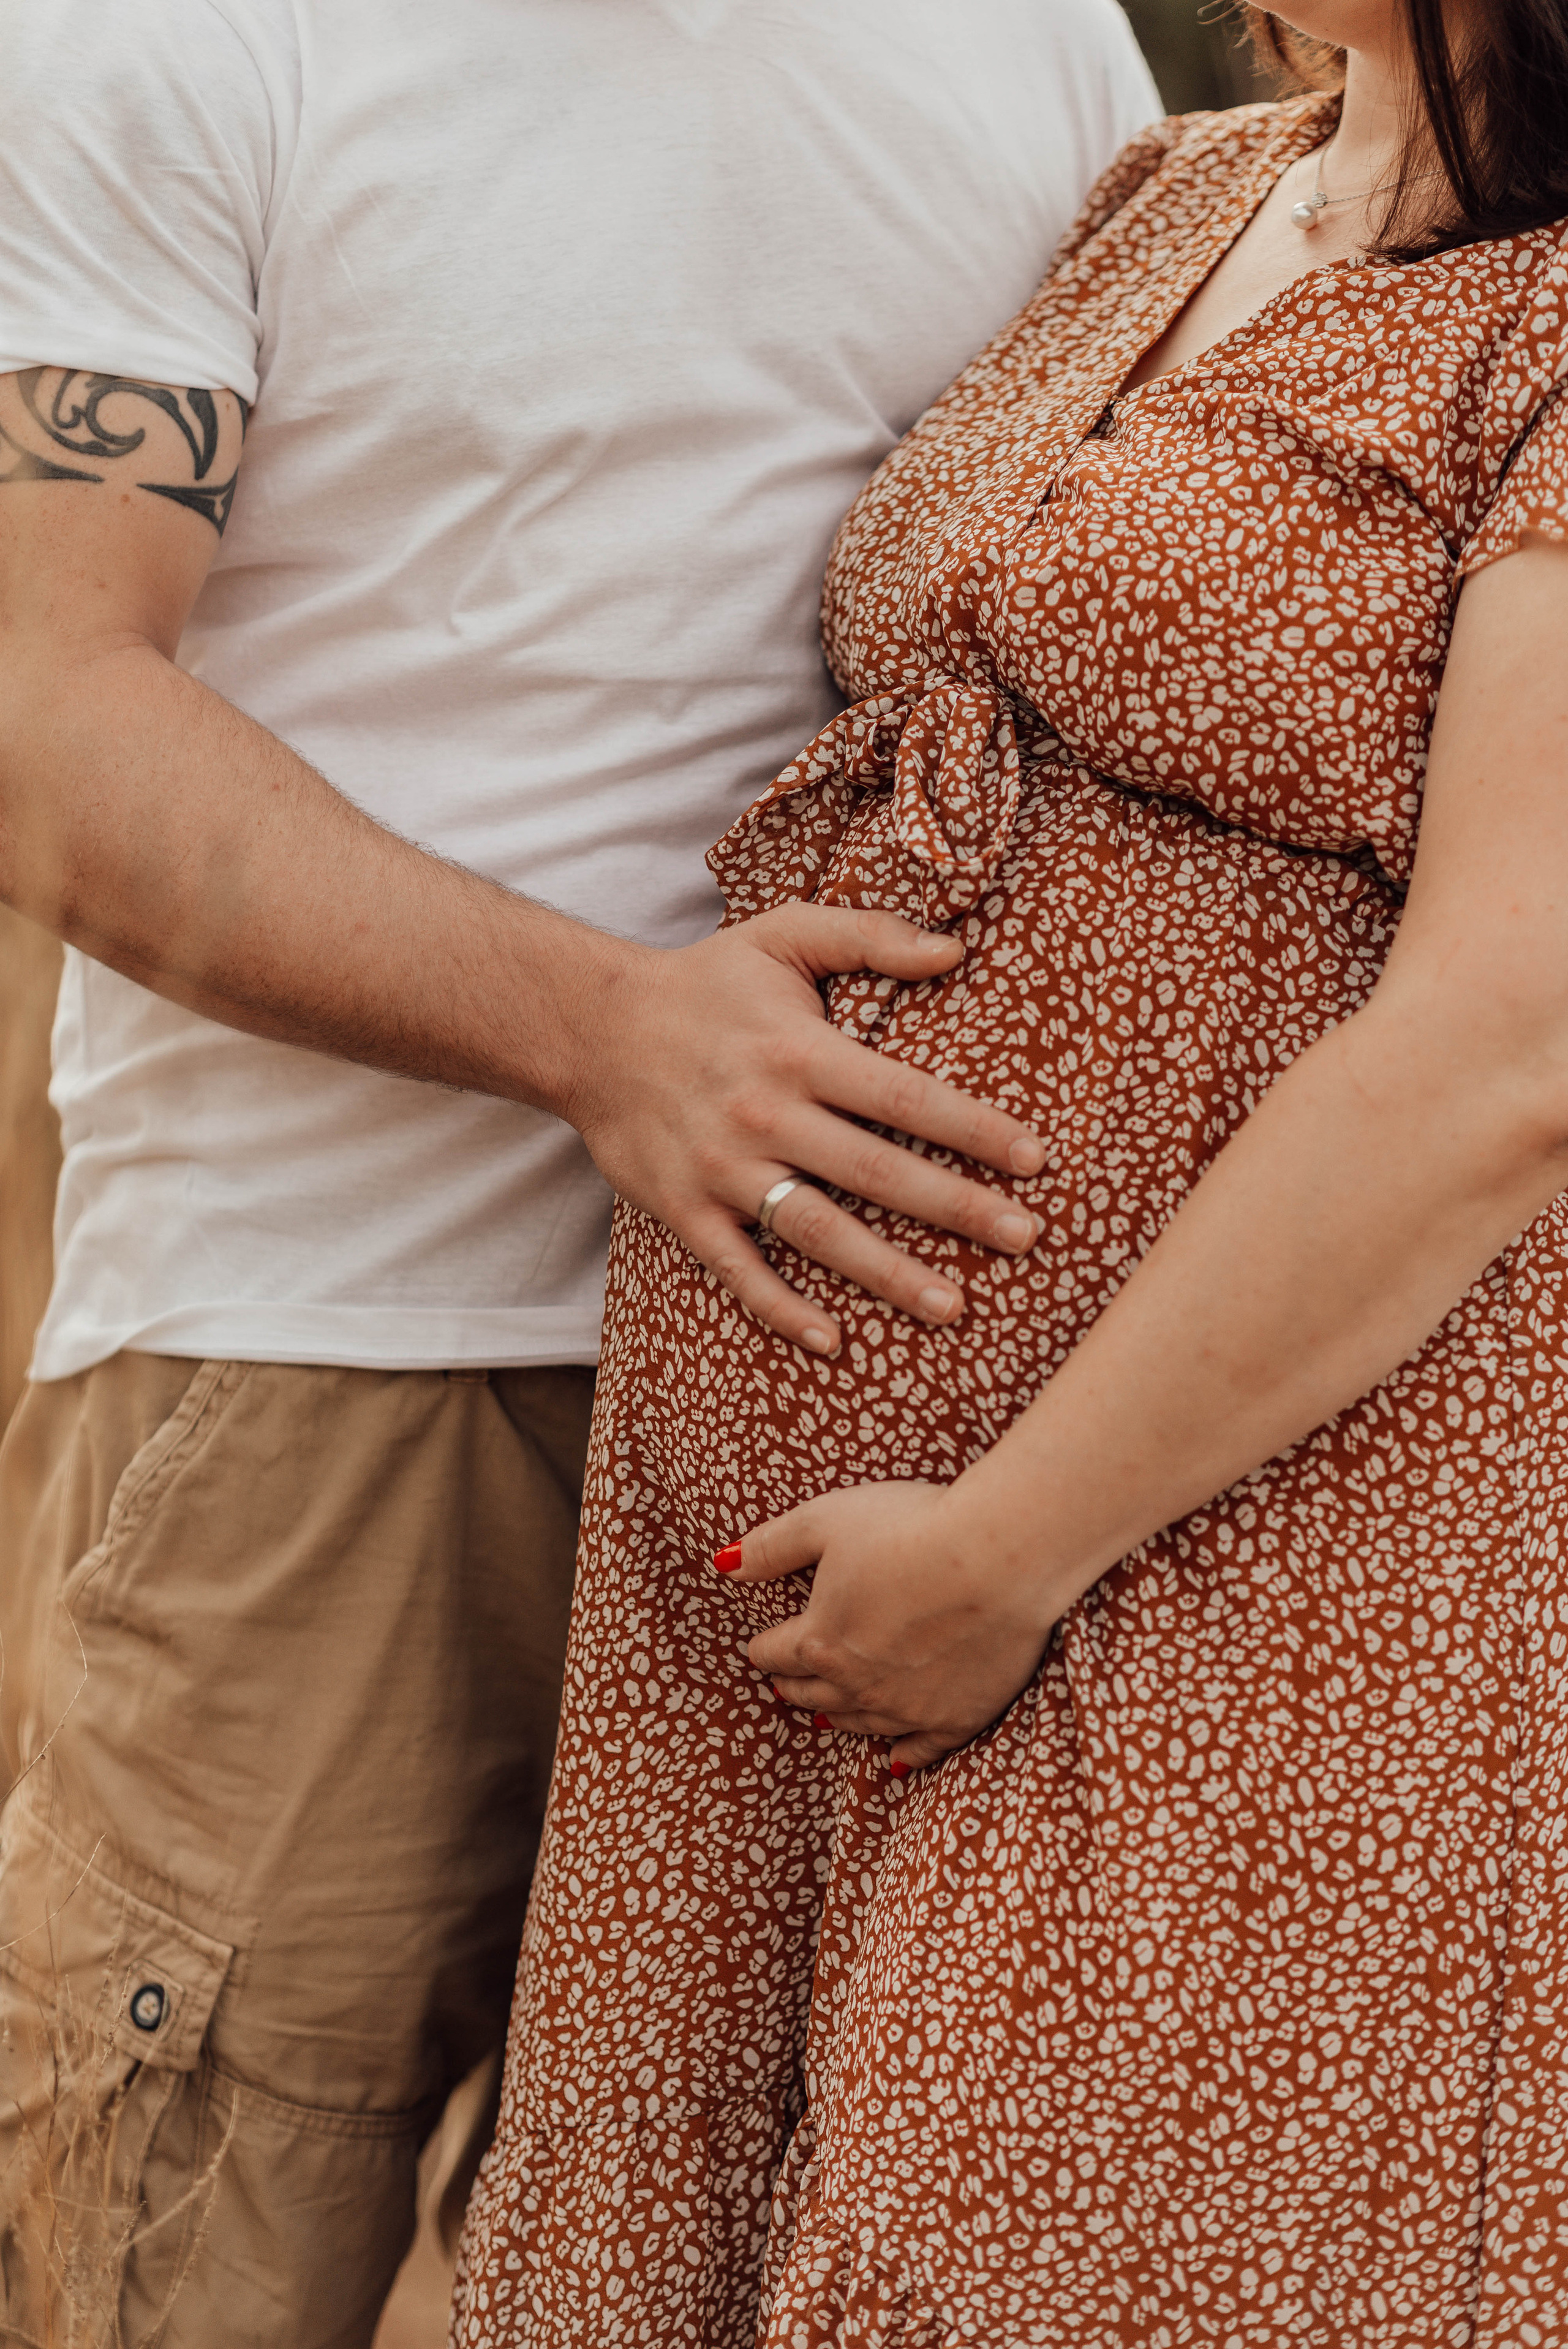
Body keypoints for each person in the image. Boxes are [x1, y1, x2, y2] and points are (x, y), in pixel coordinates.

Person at [0, 2, 1159, 2340]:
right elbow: (39, 709)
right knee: (196, 2281)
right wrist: (601, 1031)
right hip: (345, 1362)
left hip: (900, 1405)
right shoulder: (169, 37)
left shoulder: (1030, 36)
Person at [451, 0, 1568, 2340]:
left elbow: (1511, 1039)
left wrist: (1014, 1534)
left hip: (1231, 1544)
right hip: (768, 1583)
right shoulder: (1177, 184)